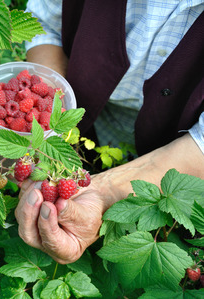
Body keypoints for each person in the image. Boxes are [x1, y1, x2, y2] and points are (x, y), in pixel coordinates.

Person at [15, 0, 204, 264]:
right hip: (83, 116)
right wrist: (47, 125)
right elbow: (43, 23)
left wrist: (103, 192)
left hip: (179, 147)